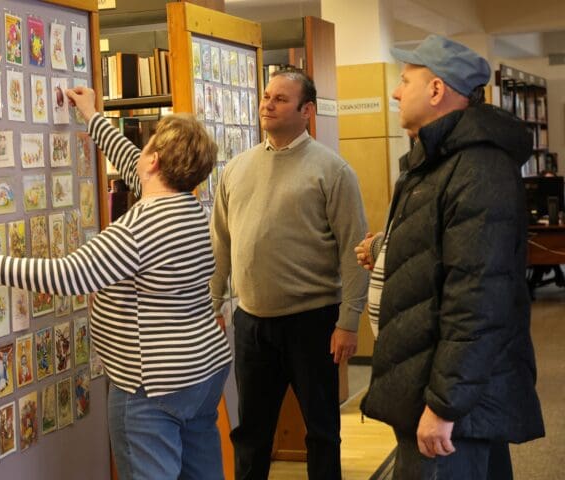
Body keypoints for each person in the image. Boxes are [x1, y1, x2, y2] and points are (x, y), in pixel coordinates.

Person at [0, 86, 232, 480]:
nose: (140, 155)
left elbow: (67, 275)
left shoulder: (138, 229)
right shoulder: (188, 207)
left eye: (147, 149)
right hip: (203, 370)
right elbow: (135, 166)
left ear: (153, 161)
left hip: (153, 384)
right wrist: (91, 116)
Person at [354, 35, 544, 479]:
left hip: (449, 402)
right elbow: (441, 252)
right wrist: (386, 251)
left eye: (405, 81)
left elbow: (478, 299)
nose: (396, 93)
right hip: (434, 384)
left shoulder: (477, 168)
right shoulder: (440, 160)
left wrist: (444, 405)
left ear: (437, 90)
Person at [210, 68, 369, 479]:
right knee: (251, 433)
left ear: (307, 111)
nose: (268, 104)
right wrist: (213, 301)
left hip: (313, 322)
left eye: (281, 99)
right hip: (251, 323)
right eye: (267, 96)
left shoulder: (333, 171)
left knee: (322, 431)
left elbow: (354, 252)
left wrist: (349, 322)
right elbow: (220, 242)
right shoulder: (236, 168)